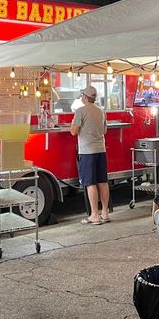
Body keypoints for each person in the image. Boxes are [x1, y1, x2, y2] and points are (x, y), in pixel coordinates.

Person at [70, 85, 110, 225]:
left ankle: (94, 215)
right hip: (101, 150)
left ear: (86, 97)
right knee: (102, 181)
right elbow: (105, 131)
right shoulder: (101, 111)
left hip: (87, 152)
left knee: (90, 183)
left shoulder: (80, 111)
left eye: (82, 95)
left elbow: (73, 131)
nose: (81, 97)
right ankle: (105, 213)